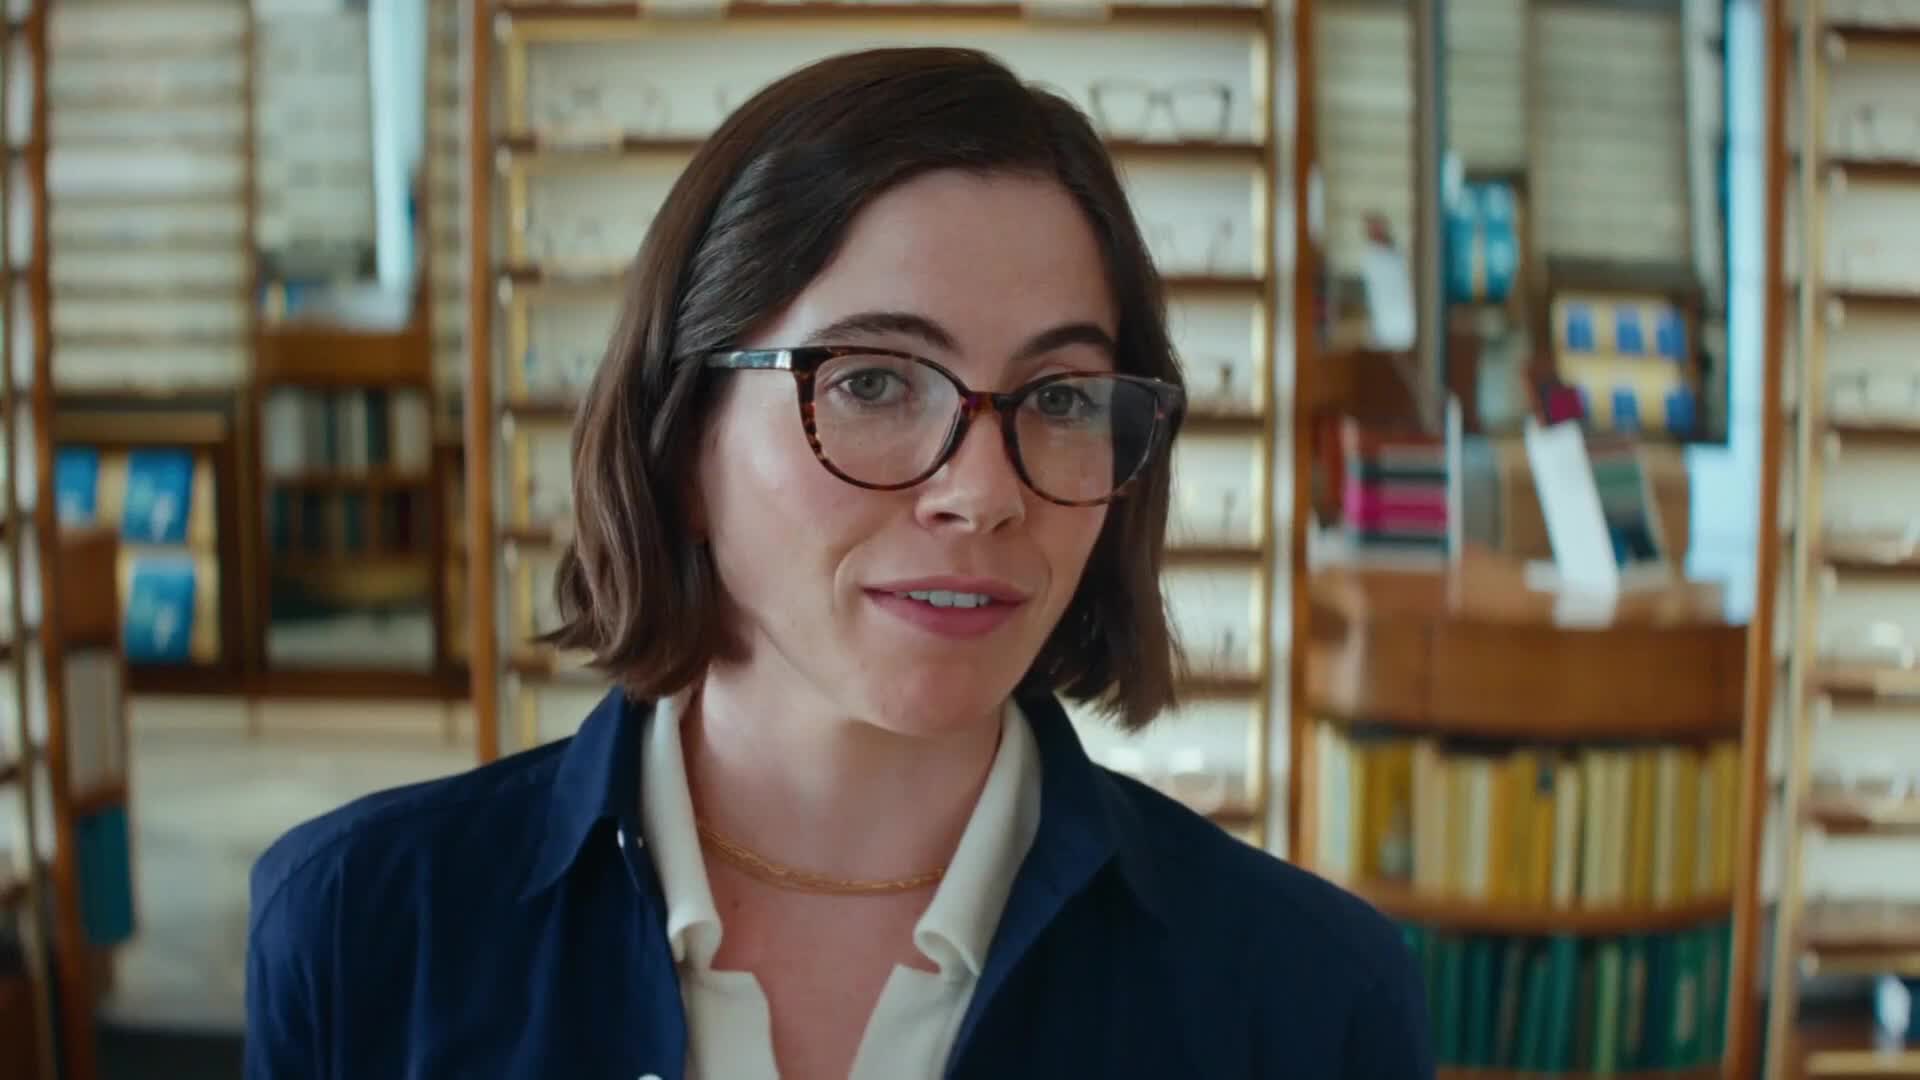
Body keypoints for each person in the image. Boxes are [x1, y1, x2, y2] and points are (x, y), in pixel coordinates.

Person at [244, 46, 1432, 1080]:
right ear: (682, 438)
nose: (983, 493)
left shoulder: (1311, 999)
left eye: (1063, 396)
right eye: (871, 382)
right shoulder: (361, 931)